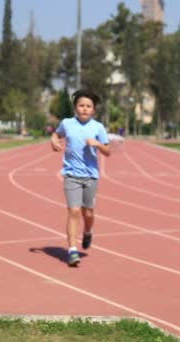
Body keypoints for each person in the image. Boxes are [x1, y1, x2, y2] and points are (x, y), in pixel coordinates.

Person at [50, 90, 110, 267]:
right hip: (71, 174)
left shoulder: (98, 127)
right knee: (74, 211)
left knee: (88, 213)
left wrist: (98, 144)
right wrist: (53, 141)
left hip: (90, 176)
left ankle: (89, 231)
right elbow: (56, 134)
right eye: (81, 105)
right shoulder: (67, 123)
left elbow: (108, 152)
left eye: (88, 106)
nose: (84, 109)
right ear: (76, 108)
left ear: (93, 110)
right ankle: (72, 250)